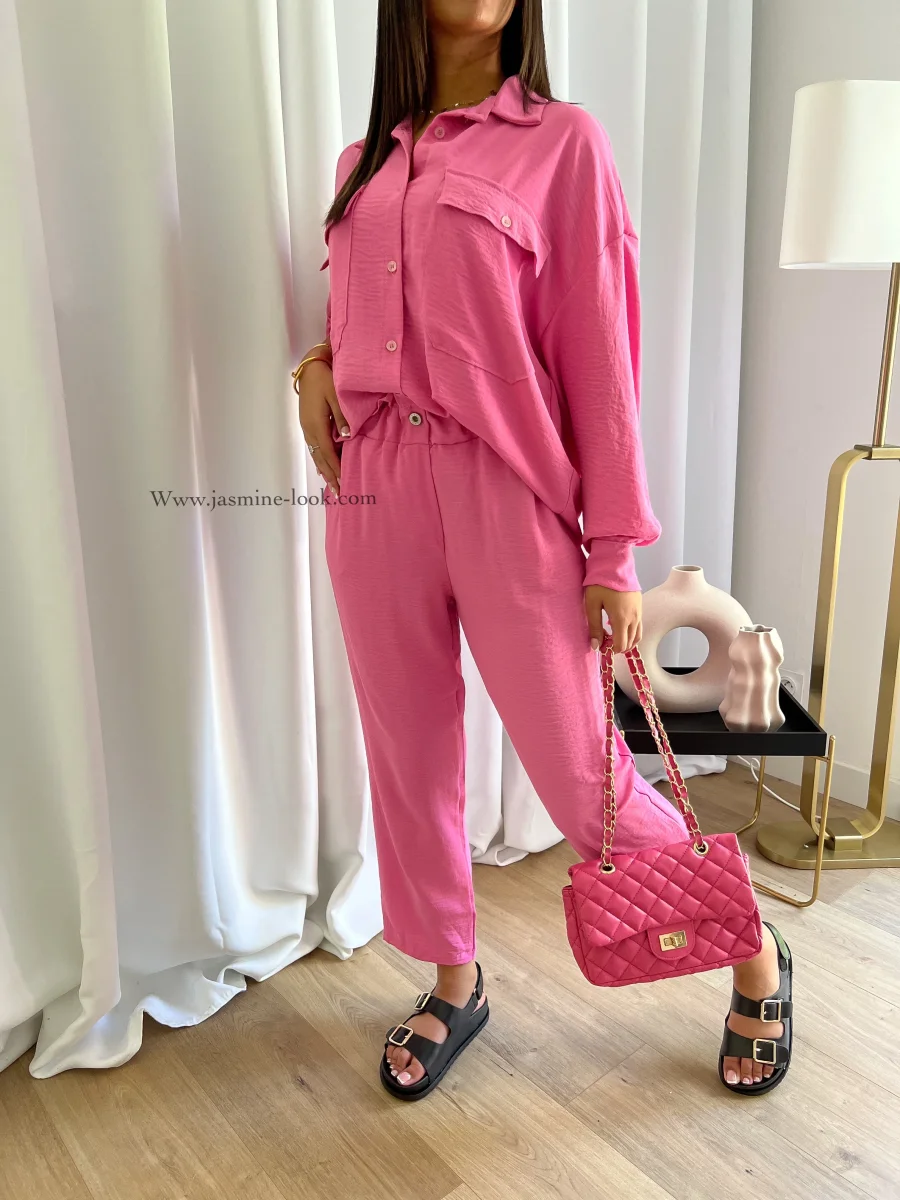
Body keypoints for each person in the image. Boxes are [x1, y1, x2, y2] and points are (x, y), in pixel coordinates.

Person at [295, 0, 793, 1101]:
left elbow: (600, 356)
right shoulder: (360, 162)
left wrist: (612, 550)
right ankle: (452, 979)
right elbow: (370, 320)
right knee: (408, 755)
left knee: (583, 774)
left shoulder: (564, 144)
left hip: (507, 491)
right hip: (375, 489)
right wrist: (313, 367)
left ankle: (752, 948)